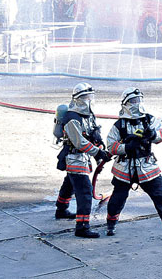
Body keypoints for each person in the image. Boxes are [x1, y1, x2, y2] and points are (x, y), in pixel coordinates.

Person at [105, 88, 162, 241]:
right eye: (134, 101)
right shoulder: (119, 125)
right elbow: (110, 146)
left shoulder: (149, 120)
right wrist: (126, 147)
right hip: (124, 169)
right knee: (117, 200)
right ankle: (111, 225)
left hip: (147, 167)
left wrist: (153, 135)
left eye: (139, 100)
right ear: (126, 103)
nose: (137, 103)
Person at [54, 82, 112, 238]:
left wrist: (99, 143)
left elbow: (91, 133)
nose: (89, 100)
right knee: (85, 192)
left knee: (69, 185)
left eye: (90, 96)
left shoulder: (87, 116)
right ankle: (82, 227)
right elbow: (79, 141)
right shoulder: (72, 117)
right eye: (86, 97)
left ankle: (61, 210)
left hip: (82, 157)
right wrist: (98, 153)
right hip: (74, 158)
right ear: (78, 99)